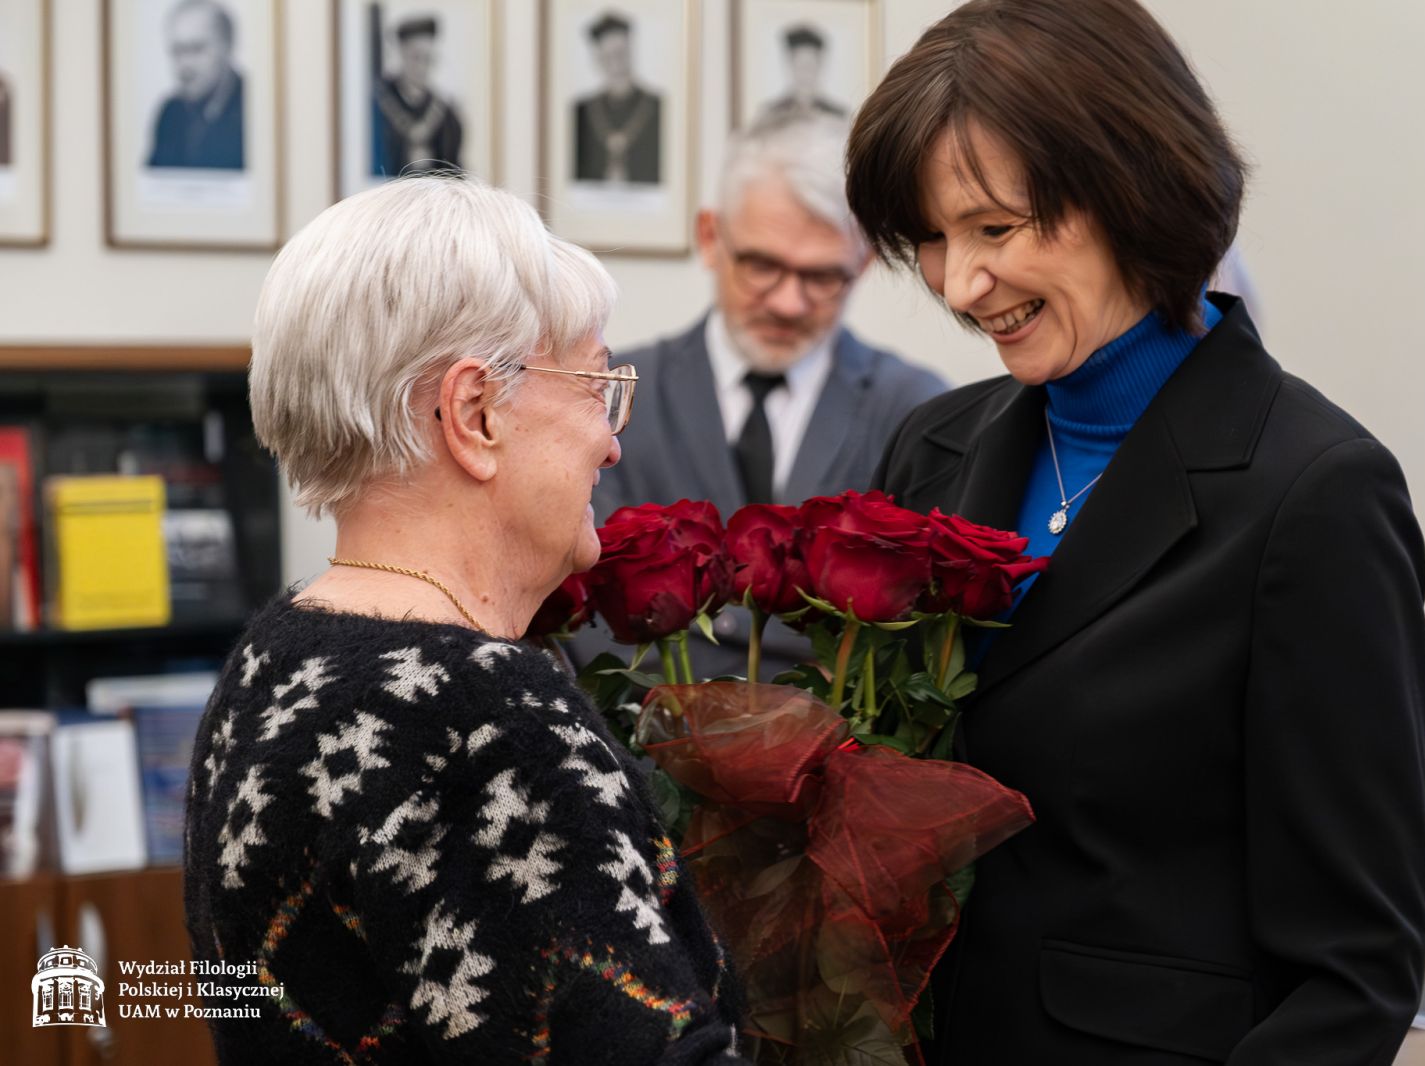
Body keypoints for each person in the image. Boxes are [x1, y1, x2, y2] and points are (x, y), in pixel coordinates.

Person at [848, 1, 1425, 1063]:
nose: (959, 285)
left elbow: (1352, 973)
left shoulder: (1312, 494)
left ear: (1130, 188)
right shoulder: (931, 449)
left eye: (994, 228)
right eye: (930, 239)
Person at [184, 175, 749, 1064]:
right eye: (597, 385)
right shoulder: (481, 715)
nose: (613, 440)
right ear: (474, 413)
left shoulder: (274, 654)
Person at [585, 111, 945, 680]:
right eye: (762, 265)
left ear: (865, 262)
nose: (788, 303)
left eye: (822, 277)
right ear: (710, 237)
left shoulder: (916, 411)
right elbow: (585, 616)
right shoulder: (618, 394)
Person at [148, 0, 245, 170]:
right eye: (177, 51)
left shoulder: (253, 107)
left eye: (196, 49)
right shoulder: (170, 112)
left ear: (227, 47)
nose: (185, 64)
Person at [573, 12, 662, 184]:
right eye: (609, 56)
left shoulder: (656, 105)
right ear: (598, 57)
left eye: (621, 54)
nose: (616, 64)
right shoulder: (582, 109)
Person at [372, 16, 463, 178]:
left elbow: (456, 173)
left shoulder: (447, 114)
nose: (422, 67)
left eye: (428, 59)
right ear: (401, 53)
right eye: (415, 57)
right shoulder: (378, 106)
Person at [759, 25, 847, 121]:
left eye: (810, 65)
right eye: (800, 66)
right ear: (790, 65)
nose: (805, 73)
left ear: (820, 65)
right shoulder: (771, 113)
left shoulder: (837, 115)